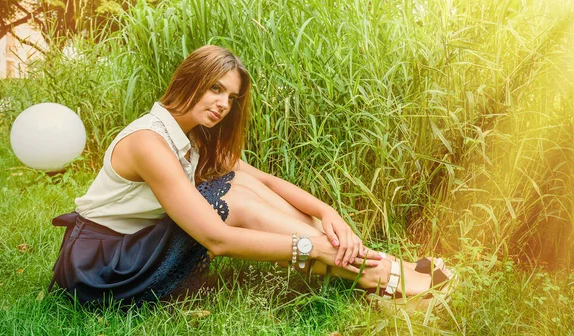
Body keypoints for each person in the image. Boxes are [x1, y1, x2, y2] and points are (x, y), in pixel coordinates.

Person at [49, 45, 453, 308]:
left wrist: (328, 213)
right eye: (214, 89)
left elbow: (268, 181)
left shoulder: (192, 135)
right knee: (233, 201)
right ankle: (375, 275)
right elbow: (217, 239)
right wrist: (314, 248)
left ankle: (375, 267)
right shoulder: (147, 142)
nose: (223, 104)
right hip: (103, 268)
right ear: (189, 80)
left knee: (241, 184)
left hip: (134, 245)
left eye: (231, 97)